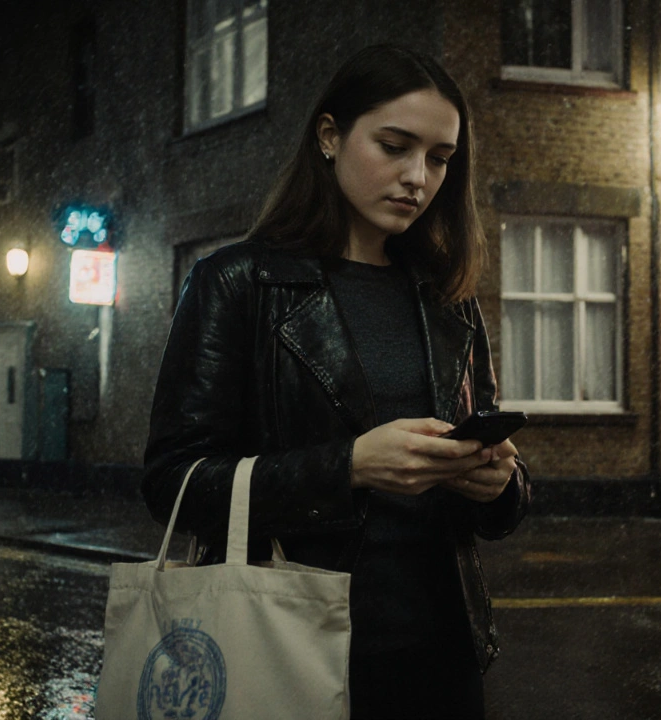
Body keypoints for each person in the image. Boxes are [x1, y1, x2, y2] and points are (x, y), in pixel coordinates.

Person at [142, 44, 532, 720]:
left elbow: (497, 490)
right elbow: (175, 481)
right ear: (330, 137)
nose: (418, 177)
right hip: (284, 647)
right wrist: (348, 467)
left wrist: (499, 485)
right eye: (395, 146)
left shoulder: (448, 298)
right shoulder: (238, 282)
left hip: (441, 656)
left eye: (439, 159)